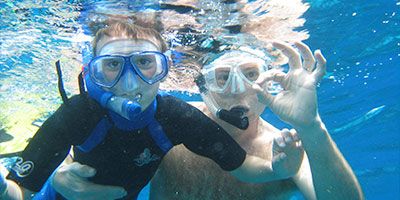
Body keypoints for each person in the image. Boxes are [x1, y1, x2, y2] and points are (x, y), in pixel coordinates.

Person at [0, 20, 307, 200]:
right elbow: (20, 191)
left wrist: (278, 169)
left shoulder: (176, 117)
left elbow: (241, 165)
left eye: (145, 63)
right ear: (93, 74)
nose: (131, 82)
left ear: (164, 70)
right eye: (112, 66)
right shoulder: (78, 113)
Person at [50, 41, 364, 200]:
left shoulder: (283, 149)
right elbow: (99, 142)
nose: (238, 89)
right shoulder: (169, 122)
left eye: (251, 74)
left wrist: (312, 128)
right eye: (223, 77)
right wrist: (64, 171)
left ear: (269, 81)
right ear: (202, 87)